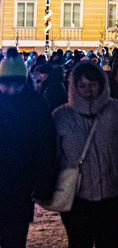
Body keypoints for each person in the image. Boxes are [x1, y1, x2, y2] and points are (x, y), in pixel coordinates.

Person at [52, 60, 118, 248]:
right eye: (82, 85)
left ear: (102, 84)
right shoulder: (61, 117)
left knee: (110, 243)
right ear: (74, 86)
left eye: (93, 85)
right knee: (79, 242)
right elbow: (52, 155)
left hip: (115, 194)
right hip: (77, 196)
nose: (87, 90)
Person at [0, 51, 58, 248]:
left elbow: (46, 147)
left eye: (15, 84)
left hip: (21, 186)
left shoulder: (36, 105)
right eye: (5, 84)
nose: (10, 89)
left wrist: (43, 183)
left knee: (14, 238)